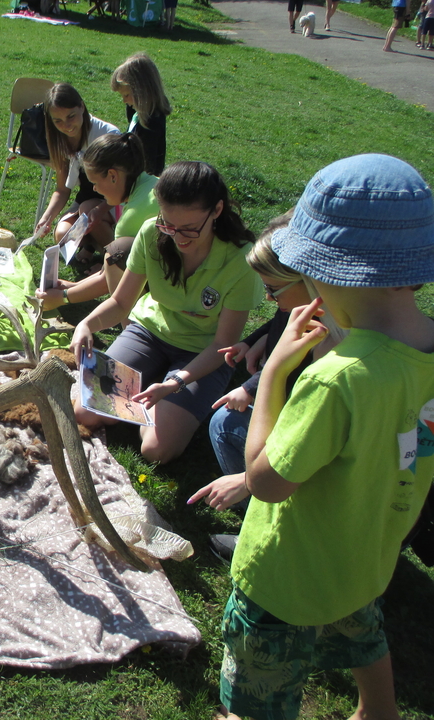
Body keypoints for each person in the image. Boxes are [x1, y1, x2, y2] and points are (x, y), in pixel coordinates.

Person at [220, 154, 434, 720]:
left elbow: (265, 482)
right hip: (364, 555)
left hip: (285, 576)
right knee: (360, 628)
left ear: (322, 272)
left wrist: (272, 374)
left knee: (256, 695)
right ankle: (378, 710)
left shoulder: (336, 378)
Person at [69, 161, 262, 464]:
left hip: (202, 352)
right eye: (168, 225)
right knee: (85, 412)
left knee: (156, 450)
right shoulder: (151, 233)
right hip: (149, 333)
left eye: (190, 229)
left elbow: (223, 344)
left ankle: (156, 389)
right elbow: (121, 303)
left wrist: (176, 384)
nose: (178, 237)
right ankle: (149, 387)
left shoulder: (241, 258)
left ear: (217, 210)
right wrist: (86, 324)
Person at [188, 213, 338, 562]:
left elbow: (307, 440)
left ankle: (273, 536)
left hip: (320, 487)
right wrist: (254, 343)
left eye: (272, 289)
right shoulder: (318, 312)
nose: (268, 298)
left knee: (225, 424)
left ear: (308, 278)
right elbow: (280, 319)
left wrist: (248, 481)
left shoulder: (332, 361)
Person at [36, 132, 158, 312]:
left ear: (113, 176)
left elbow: (111, 279)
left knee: (117, 254)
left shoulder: (132, 217)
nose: (94, 189)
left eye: (95, 182)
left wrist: (63, 297)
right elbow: (108, 273)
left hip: (167, 296)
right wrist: (72, 286)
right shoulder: (152, 184)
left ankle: (132, 324)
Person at [33, 83, 119, 258]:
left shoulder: (107, 134)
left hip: (114, 202)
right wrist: (46, 218)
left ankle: (116, 258)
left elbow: (121, 189)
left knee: (87, 210)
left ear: (82, 106)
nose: (66, 125)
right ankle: (93, 246)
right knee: (61, 235)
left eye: (71, 116)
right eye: (58, 121)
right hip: (86, 200)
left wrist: (100, 209)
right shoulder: (59, 139)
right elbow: (62, 189)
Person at [111, 53, 172, 176]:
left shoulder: (152, 124)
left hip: (142, 182)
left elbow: (147, 167)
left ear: (142, 92)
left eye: (126, 95)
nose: (124, 101)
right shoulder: (136, 111)